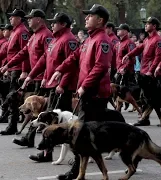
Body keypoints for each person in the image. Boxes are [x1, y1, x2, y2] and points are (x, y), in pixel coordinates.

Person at [48, 4, 112, 180]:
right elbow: (75, 56)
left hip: (95, 94)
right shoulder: (89, 39)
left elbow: (101, 67)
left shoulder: (102, 40)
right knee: (86, 133)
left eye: (90, 16)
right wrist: (59, 69)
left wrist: (84, 86)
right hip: (88, 93)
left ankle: (77, 171)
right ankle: (81, 169)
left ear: (100, 20)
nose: (86, 18)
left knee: (81, 133)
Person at [13, 12, 78, 163]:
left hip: (62, 87)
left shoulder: (69, 40)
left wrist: (62, 84)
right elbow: (45, 60)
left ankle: (48, 154)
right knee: (52, 121)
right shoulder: (55, 39)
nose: (52, 25)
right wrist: (35, 76)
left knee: (55, 123)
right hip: (53, 84)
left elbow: (72, 65)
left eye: (55, 22)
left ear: (63, 24)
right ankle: (48, 153)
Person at [122, 16, 161, 126]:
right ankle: (145, 119)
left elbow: (158, 57)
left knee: (151, 98)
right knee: (144, 97)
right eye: (145, 23)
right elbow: (138, 49)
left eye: (148, 23)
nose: (146, 25)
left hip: (151, 74)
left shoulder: (158, 40)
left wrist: (151, 71)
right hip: (144, 72)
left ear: (154, 26)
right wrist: (128, 55)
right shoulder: (147, 39)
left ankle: (146, 118)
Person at [0, 9, 53, 95]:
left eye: (31, 18)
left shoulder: (46, 35)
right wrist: (7, 65)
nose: (28, 20)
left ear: (38, 19)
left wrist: (44, 77)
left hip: (42, 78)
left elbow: (48, 59)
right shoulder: (34, 35)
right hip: (34, 76)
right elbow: (23, 53)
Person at [0, 9, 30, 91]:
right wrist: (3, 65)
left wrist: (24, 71)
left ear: (19, 19)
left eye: (13, 16)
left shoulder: (22, 31)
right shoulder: (15, 31)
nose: (10, 18)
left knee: (14, 93)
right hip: (12, 67)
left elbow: (25, 52)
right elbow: (8, 51)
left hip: (18, 68)